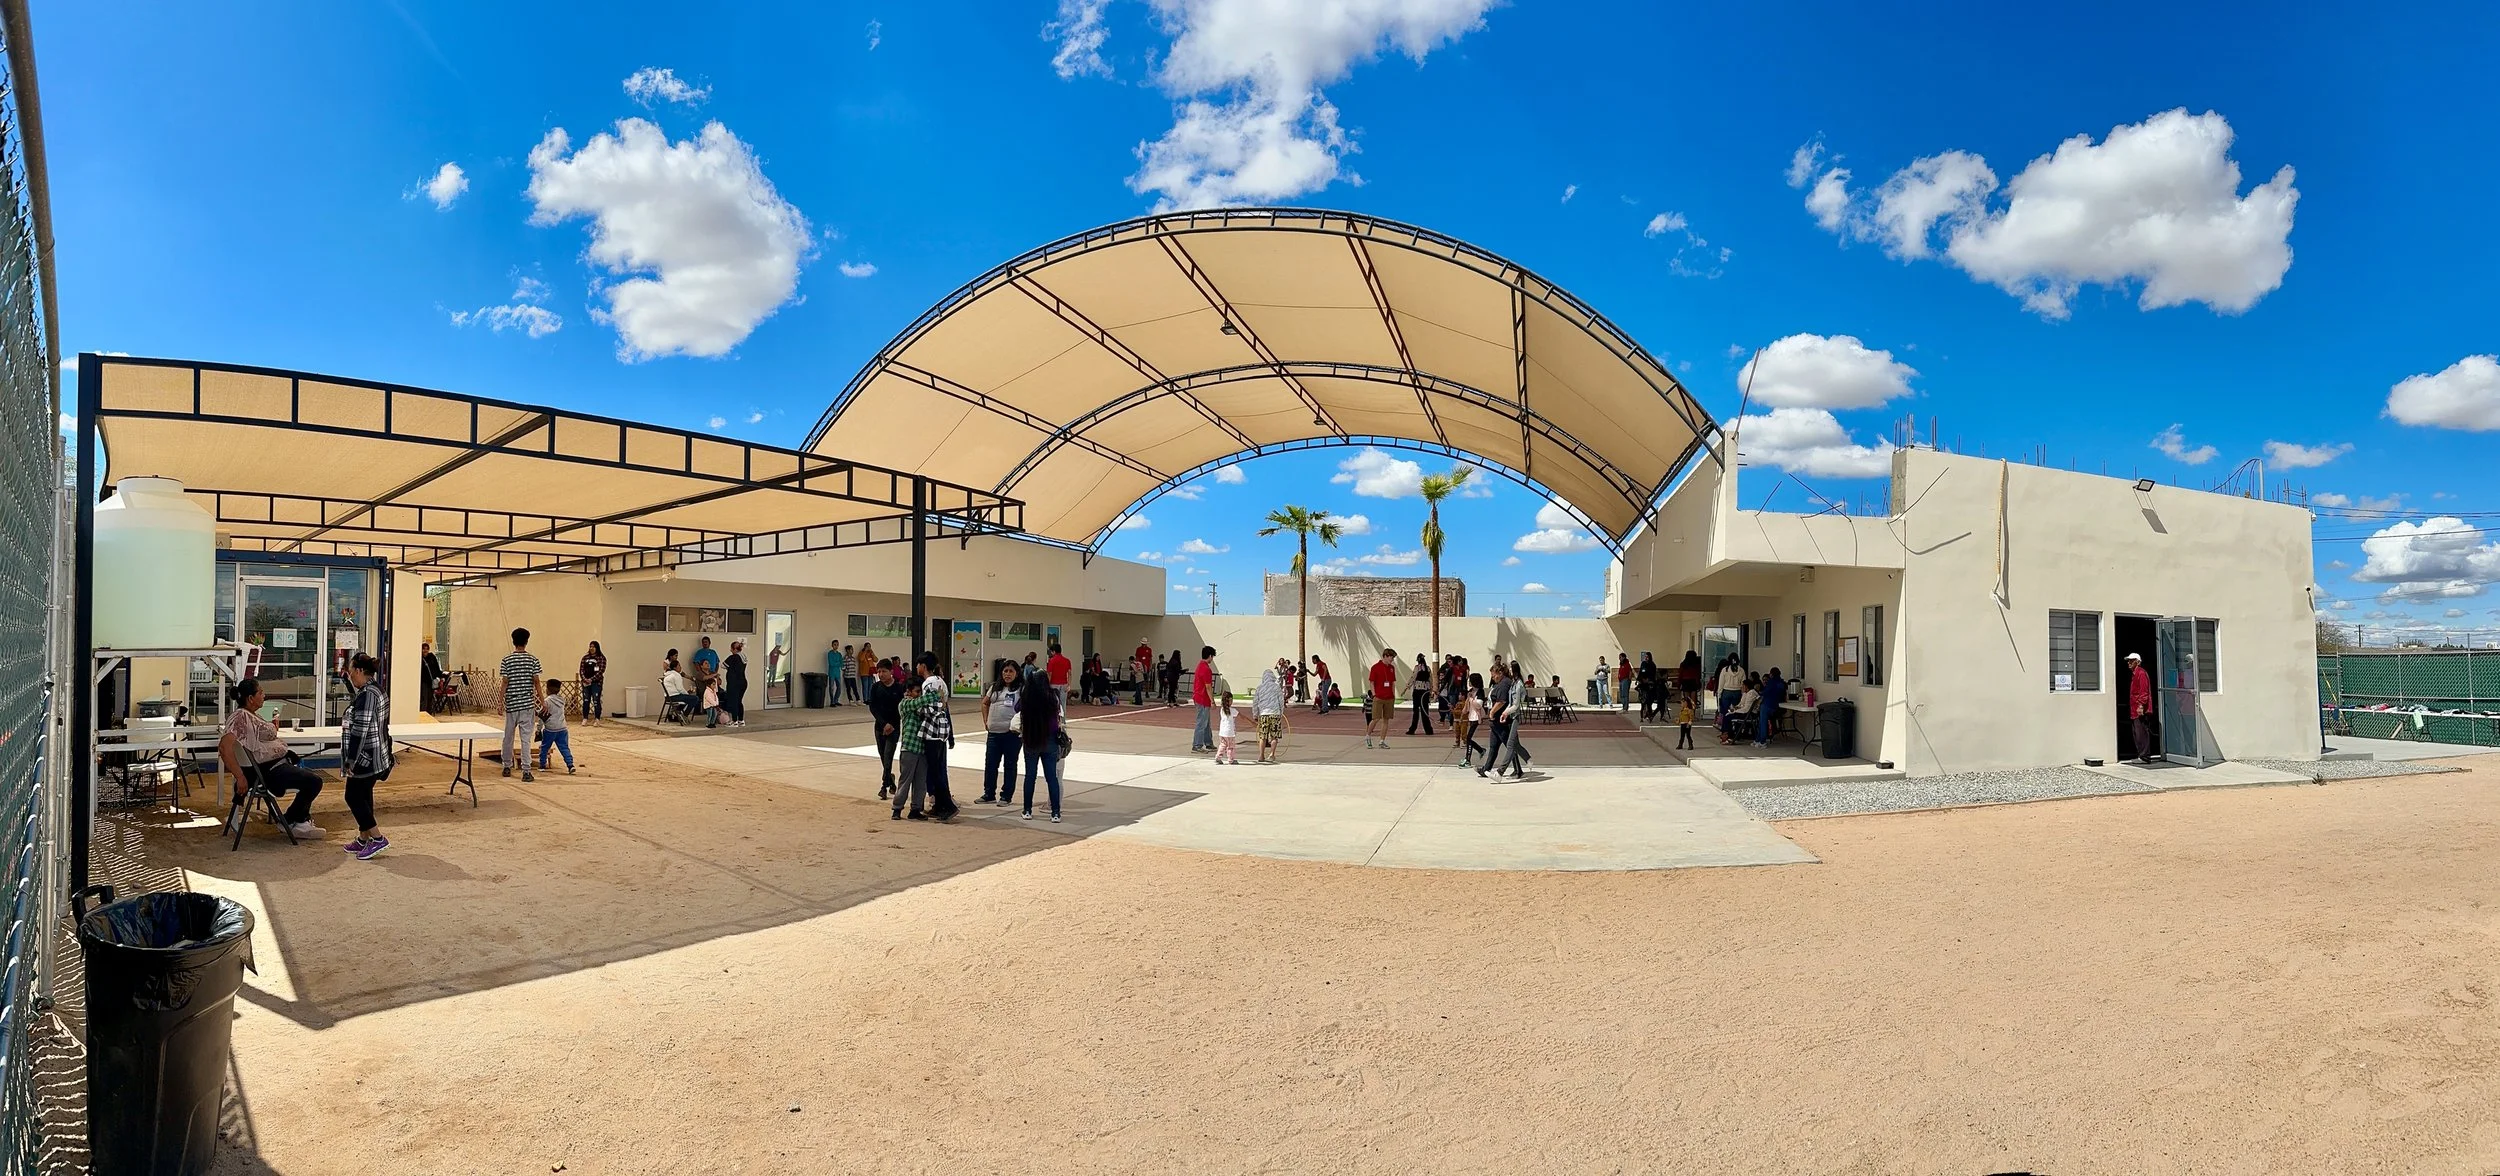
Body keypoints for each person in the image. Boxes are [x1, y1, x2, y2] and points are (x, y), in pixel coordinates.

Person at [220, 677, 325, 840]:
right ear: (250, 698)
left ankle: (297, 820)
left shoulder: (250, 715)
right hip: (268, 773)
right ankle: (294, 820)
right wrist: (239, 776)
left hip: (274, 767)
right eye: (261, 692)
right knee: (314, 781)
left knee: (309, 776)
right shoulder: (240, 717)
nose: (264, 695)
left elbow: (255, 736)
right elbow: (224, 747)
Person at [338, 653, 393, 860]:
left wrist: (351, 759)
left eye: (351, 672)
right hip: (376, 754)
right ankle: (364, 838)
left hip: (365, 757)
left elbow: (360, 730)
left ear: (360, 671)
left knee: (352, 796)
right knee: (363, 795)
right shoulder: (375, 689)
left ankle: (378, 838)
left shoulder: (368, 695)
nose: (350, 676)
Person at [915, 652, 959, 820]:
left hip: (932, 730)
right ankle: (939, 806)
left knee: (934, 771)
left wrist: (917, 708)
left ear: (924, 666)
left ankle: (948, 806)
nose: (917, 667)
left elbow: (930, 707)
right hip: (941, 730)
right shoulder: (940, 681)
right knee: (937, 769)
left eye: (918, 664)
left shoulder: (929, 683)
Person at [1017, 670, 1064, 821]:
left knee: (1030, 776)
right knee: (1052, 777)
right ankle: (1055, 812)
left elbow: (1016, 709)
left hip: (1031, 739)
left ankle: (1027, 810)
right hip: (1050, 739)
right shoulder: (1053, 695)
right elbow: (1059, 713)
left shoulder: (1027, 697)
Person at [500, 627, 542, 782]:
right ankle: (526, 771)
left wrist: (499, 702)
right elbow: (536, 682)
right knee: (525, 739)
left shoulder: (506, 660)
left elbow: (505, 682)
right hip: (527, 705)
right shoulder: (533, 660)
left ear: (513, 641)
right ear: (526, 641)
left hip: (511, 704)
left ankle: (506, 766)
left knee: (508, 737)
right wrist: (542, 701)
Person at [982, 660, 1024, 806]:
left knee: (1010, 765)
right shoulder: (995, 687)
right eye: (1005, 671)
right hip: (994, 733)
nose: (1007, 674)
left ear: (1017, 673)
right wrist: (986, 721)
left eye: (1011, 671)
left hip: (1012, 734)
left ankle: (1006, 796)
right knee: (990, 764)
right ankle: (989, 794)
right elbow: (985, 703)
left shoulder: (1021, 689)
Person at [892, 678, 929, 820]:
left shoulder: (921, 706)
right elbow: (919, 702)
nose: (919, 695)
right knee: (905, 781)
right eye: (917, 691)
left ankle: (916, 809)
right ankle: (897, 808)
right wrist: (936, 694)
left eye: (921, 692)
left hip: (922, 749)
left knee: (920, 782)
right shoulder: (905, 704)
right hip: (909, 748)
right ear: (908, 691)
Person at [867, 661, 905, 799]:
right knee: (883, 756)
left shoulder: (899, 688)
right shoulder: (875, 687)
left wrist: (891, 725)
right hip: (880, 727)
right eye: (879, 671)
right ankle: (891, 781)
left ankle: (884, 787)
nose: (881, 674)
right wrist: (884, 724)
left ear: (891, 672)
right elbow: (873, 707)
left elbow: (901, 708)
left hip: (894, 728)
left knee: (888, 756)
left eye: (884, 671)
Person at [536, 677, 575, 773]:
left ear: (548, 690)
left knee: (544, 747)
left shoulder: (547, 701)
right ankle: (570, 765)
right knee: (564, 747)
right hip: (562, 728)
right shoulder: (562, 700)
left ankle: (542, 765)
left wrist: (538, 729)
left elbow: (542, 717)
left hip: (550, 729)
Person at [1365, 649, 1399, 749]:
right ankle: (1368, 736)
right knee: (1376, 718)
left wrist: (1393, 695)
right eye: (1391, 657)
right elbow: (1371, 682)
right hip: (1378, 697)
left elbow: (1392, 682)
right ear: (1385, 656)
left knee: (1386, 719)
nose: (1392, 660)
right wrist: (1374, 695)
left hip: (1389, 697)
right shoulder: (1375, 667)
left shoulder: (1392, 668)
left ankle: (1382, 741)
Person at [2126, 652, 2157, 762]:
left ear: (2137, 662)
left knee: (2141, 732)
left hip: (2140, 709)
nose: (2129, 663)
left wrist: (2141, 706)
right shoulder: (2135, 674)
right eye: (2128, 661)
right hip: (2134, 709)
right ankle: (2141, 755)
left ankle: (2145, 756)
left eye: (2131, 660)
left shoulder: (2141, 673)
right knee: (2136, 732)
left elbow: (2144, 692)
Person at [1253, 663, 1286, 764]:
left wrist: (1255, 714)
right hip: (1275, 714)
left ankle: (1261, 755)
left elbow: (1255, 702)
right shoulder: (1277, 687)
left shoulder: (1259, 688)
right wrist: (1281, 713)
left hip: (1263, 714)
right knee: (1274, 736)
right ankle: (1272, 755)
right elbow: (1281, 701)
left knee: (1263, 736)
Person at [1191, 645, 1218, 753]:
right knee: (1201, 723)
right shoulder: (1206, 669)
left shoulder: (1200, 666)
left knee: (1206, 723)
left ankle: (1208, 743)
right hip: (1202, 698)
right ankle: (1197, 745)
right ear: (1210, 656)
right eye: (1212, 657)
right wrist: (1212, 701)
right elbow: (1208, 686)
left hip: (1200, 697)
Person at [1722, 676, 1762, 745]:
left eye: (1743, 685)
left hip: (1750, 714)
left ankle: (1729, 735)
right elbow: (1741, 704)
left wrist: (1735, 711)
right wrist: (1735, 708)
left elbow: (1746, 709)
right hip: (1744, 712)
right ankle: (1732, 734)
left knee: (1728, 717)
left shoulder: (1751, 693)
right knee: (1727, 714)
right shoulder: (1746, 693)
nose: (1741, 687)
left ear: (1746, 686)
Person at [1457, 673, 1486, 768]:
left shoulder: (1480, 692)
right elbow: (1467, 705)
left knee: (1468, 738)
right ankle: (1480, 750)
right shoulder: (1470, 691)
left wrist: (1472, 699)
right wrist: (1463, 713)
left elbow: (1479, 705)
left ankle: (1468, 759)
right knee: (1468, 738)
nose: (1469, 682)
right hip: (1471, 716)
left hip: (1476, 717)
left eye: (1470, 680)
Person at [1406, 652, 1436, 737]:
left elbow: (1413, 677)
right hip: (1425, 692)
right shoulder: (1428, 668)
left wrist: (1408, 685)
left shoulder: (1417, 668)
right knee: (1425, 711)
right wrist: (1430, 690)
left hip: (1417, 691)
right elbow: (1431, 680)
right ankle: (1428, 730)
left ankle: (1412, 729)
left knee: (1416, 711)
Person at [1715, 654, 1745, 735]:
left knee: (1725, 712)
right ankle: (1736, 731)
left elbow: (1721, 684)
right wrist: (1743, 695)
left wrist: (1719, 695)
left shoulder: (1725, 670)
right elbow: (1743, 684)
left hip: (1726, 692)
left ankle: (1725, 731)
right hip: (1737, 692)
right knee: (1736, 711)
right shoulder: (1741, 670)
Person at [1756, 666, 1787, 747]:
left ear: (1771, 674)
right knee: (1765, 722)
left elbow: (1765, 692)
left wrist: (1759, 692)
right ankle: (1758, 740)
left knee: (1762, 723)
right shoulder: (1781, 683)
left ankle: (1762, 741)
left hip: (1767, 704)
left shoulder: (1771, 682)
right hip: (1776, 706)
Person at [721, 640, 749, 728]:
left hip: (734, 683)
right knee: (739, 701)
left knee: (734, 701)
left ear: (734, 649)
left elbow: (723, 665)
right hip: (743, 682)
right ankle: (741, 720)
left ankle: (734, 721)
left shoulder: (733, 657)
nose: (730, 650)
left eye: (731, 649)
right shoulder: (744, 656)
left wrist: (730, 668)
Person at [577, 641, 606, 723]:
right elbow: (581, 669)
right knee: (586, 700)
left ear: (597, 648)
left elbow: (601, 671)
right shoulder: (585, 658)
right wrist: (584, 679)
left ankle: (597, 718)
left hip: (596, 683)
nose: (591, 648)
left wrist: (592, 679)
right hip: (585, 683)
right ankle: (585, 718)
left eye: (593, 647)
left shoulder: (601, 658)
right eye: (590, 646)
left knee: (596, 700)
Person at [1214, 690, 1241, 765]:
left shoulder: (1222, 710)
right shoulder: (1232, 710)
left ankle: (1218, 757)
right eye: (1231, 700)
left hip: (1222, 732)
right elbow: (1242, 717)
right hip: (1230, 732)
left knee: (1222, 745)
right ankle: (1230, 759)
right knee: (1230, 746)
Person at [420, 640, 443, 715]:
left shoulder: (432, 657)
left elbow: (436, 668)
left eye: (427, 649)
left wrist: (440, 677)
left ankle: (429, 713)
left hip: (431, 681)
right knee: (424, 697)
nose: (425, 650)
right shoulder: (419, 658)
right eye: (423, 649)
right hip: (423, 681)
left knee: (430, 697)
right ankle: (423, 713)